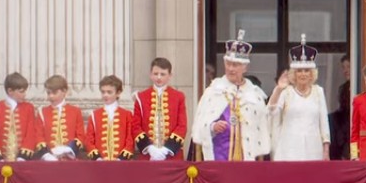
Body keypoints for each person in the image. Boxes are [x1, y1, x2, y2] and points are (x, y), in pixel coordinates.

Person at [192, 30, 271, 161]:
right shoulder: (213, 91)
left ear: (245, 68)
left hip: (246, 159)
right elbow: (200, 126)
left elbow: (261, 130)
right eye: (228, 64)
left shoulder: (254, 94)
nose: (231, 69)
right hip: (218, 156)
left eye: (235, 65)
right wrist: (212, 127)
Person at [267, 37, 331, 161]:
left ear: (312, 73)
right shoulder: (286, 92)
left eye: (306, 70)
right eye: (299, 71)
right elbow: (271, 111)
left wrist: (326, 150)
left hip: (313, 149)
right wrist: (278, 89)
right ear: (293, 73)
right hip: (289, 150)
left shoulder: (318, 92)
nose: (303, 74)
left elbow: (324, 122)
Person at [134, 58, 187, 161]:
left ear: (170, 76)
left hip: (171, 155)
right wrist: (149, 148)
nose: (158, 77)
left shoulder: (179, 96)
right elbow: (135, 126)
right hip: (148, 156)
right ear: (150, 74)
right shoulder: (141, 97)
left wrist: (166, 149)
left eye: (163, 74)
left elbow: (182, 126)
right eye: (155, 73)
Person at [84, 75, 139, 161]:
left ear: (118, 92)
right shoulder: (94, 115)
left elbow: (130, 139)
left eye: (109, 92)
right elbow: (89, 140)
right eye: (103, 92)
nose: (105, 95)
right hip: (99, 164)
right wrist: (97, 158)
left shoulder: (126, 115)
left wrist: (121, 158)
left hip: (121, 164)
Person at [0, 73, 40, 161]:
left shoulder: (29, 108)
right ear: (10, 91)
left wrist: (23, 155)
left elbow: (31, 132)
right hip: (1, 160)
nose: (24, 95)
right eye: (21, 92)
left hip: (22, 159)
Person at [36, 75, 85, 161]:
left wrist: (69, 149)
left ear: (64, 91)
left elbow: (80, 136)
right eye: (48, 93)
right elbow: (38, 136)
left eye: (54, 93)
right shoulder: (42, 112)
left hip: (71, 159)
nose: (50, 96)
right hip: (49, 160)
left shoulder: (75, 111)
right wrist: (46, 155)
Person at [329, 57, 352, 160]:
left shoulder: (360, 85)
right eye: (343, 67)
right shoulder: (343, 88)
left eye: (348, 67)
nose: (345, 70)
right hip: (344, 120)